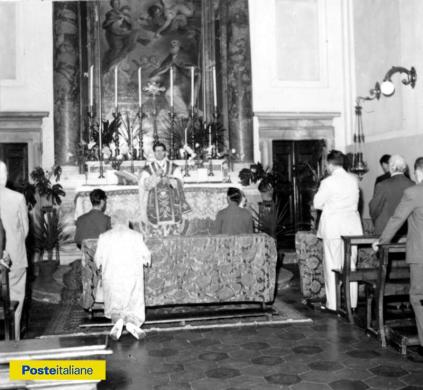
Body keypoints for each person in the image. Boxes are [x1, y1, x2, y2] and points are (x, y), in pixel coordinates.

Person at [372, 157, 423, 352]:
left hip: (420, 255)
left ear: (418, 173)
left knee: (418, 296)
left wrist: (382, 241)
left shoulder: (414, 192)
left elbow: (396, 219)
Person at [313, 150, 363, 312]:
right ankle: (352, 303)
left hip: (333, 227)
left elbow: (317, 204)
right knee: (351, 266)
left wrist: (329, 204)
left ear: (330, 164)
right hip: (352, 227)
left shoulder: (328, 182)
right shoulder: (354, 180)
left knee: (332, 266)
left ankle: (333, 305)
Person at [95, 211, 151, 341]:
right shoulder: (136, 236)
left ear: (112, 223)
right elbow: (146, 257)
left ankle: (117, 321)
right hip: (131, 277)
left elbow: (98, 260)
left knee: (114, 303)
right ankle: (132, 322)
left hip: (112, 277)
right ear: (127, 222)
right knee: (133, 302)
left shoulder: (104, 237)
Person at [0, 161, 29, 340]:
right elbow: (25, 229)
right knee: (16, 296)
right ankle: (15, 341)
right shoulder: (17, 198)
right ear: (5, 176)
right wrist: (14, 245)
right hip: (14, 256)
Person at [138, 142, 191, 236]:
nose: (159, 153)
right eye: (157, 151)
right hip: (154, 203)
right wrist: (155, 175)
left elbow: (180, 182)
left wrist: (170, 180)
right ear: (154, 153)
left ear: (165, 152)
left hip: (171, 203)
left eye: (161, 151)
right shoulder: (148, 169)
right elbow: (145, 185)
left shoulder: (174, 167)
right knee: (156, 230)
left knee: (173, 229)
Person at [369, 154, 414, 235]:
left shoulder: (382, 185)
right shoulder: (413, 185)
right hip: (407, 231)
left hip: (385, 230)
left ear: (390, 168)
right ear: (404, 168)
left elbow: (374, 209)